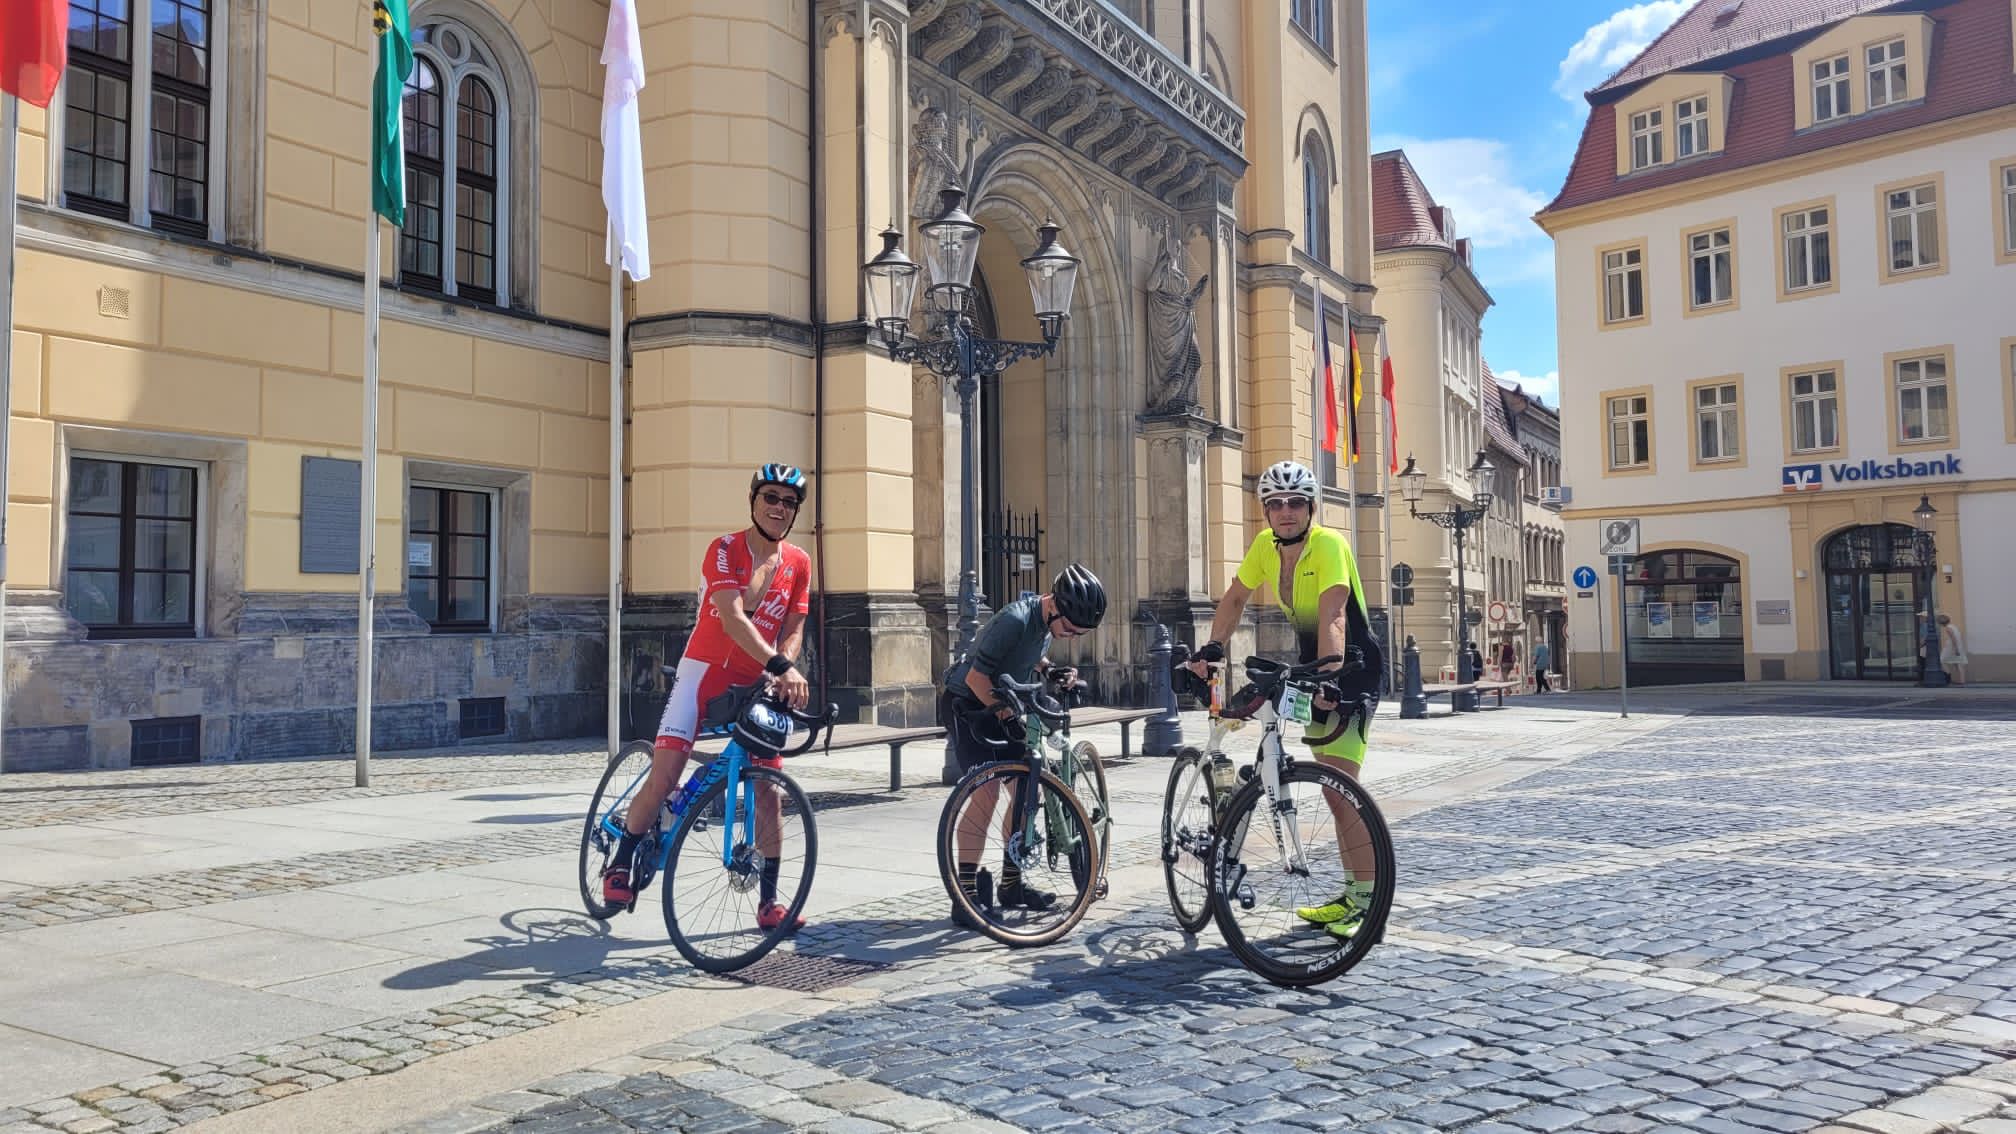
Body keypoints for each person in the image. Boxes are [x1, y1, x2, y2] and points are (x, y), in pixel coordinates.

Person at [600, 463, 815, 933]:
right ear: (754, 500)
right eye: (771, 497)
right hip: (704, 673)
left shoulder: (798, 561)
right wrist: (778, 665)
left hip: (755, 681)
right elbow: (733, 618)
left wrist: (784, 666)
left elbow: (794, 627)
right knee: (666, 775)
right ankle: (620, 863)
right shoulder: (724, 549)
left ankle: (769, 902)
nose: (779, 508)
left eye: (789, 502)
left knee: (769, 791)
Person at [1182, 460, 1384, 938]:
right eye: (1276, 504)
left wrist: (1330, 679)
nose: (1286, 512)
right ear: (1266, 512)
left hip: (1349, 671)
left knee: (1341, 792)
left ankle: (1365, 902)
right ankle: (1357, 895)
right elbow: (1234, 598)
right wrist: (1213, 647)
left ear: (1311, 507)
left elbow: (1335, 616)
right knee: (1329, 786)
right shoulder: (1264, 548)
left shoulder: (1329, 544)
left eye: (1296, 503)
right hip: (1312, 668)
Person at [938, 564, 1108, 928]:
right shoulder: (1015, 619)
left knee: (1024, 794)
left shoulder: (1045, 622)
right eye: (1072, 629)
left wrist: (1049, 671)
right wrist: (1004, 714)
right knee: (986, 794)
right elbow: (976, 677)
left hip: (1001, 705)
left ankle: (1011, 885)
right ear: (1055, 606)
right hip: (967, 703)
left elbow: (1032, 652)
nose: (1073, 636)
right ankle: (965, 895)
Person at [1939, 613, 1968, 685]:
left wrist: (1956, 649)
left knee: (1942, 660)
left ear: (1941, 623)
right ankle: (1962, 681)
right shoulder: (1953, 626)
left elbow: (1953, 639)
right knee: (1958, 663)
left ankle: (1948, 677)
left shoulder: (1948, 629)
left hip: (1951, 647)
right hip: (1957, 646)